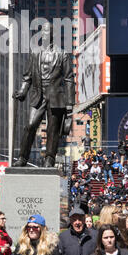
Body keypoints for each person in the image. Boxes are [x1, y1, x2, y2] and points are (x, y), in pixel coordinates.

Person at [13, 21, 75, 168]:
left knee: (52, 129)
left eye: (48, 32)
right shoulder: (35, 53)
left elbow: (68, 79)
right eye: (43, 32)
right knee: (30, 125)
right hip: (38, 95)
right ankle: (23, 157)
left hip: (56, 96)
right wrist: (22, 91)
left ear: (53, 35)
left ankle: (49, 158)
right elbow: (27, 77)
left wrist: (69, 103)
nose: (45, 35)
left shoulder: (63, 54)